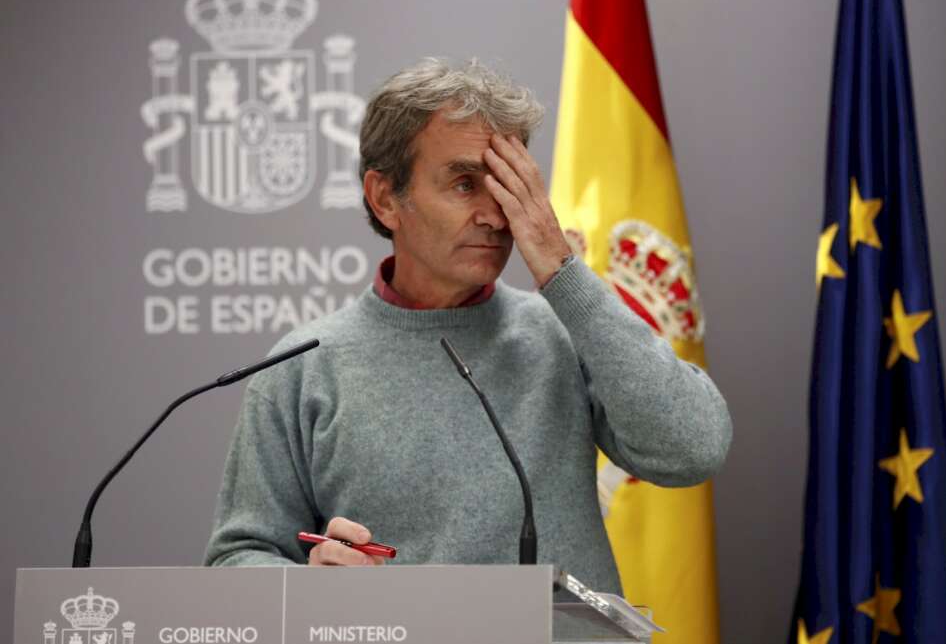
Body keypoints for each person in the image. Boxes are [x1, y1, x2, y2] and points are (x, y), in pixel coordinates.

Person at [204, 59, 732, 594]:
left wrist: (561, 272)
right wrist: (311, 587)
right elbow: (238, 558)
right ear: (385, 198)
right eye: (463, 184)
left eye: (505, 186)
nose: (496, 216)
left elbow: (693, 448)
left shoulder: (564, 331)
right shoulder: (301, 366)